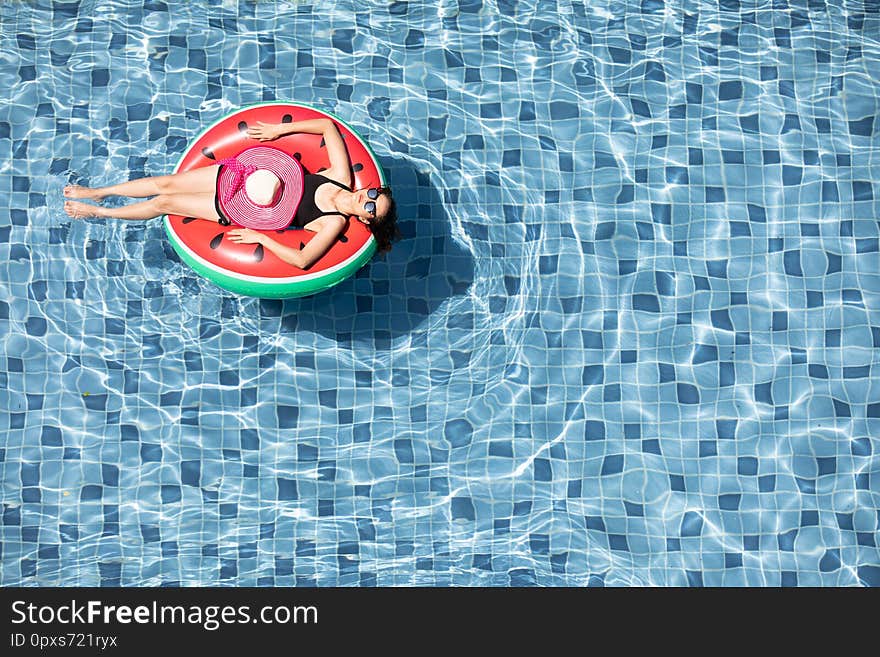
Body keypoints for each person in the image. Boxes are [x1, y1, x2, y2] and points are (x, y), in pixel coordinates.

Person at [63, 118, 399, 269]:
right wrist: (279, 130)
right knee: (164, 182)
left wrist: (261, 237)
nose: (365, 198)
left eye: (371, 207)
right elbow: (328, 128)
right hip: (246, 173)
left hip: (241, 207)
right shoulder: (341, 178)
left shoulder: (333, 223)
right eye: (373, 194)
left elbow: (302, 260)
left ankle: (101, 213)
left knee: (164, 202)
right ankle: (99, 193)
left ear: (365, 219)